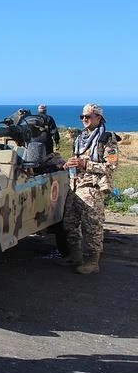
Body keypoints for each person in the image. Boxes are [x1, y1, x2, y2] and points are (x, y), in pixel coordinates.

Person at [60, 103, 118, 274]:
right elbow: (77, 159)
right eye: (82, 117)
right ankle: (75, 257)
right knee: (69, 223)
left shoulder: (107, 139)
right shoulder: (81, 137)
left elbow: (111, 166)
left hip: (93, 187)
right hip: (75, 185)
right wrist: (69, 164)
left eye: (88, 116)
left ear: (98, 118)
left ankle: (93, 262)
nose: (84, 119)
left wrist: (86, 164)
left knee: (92, 226)